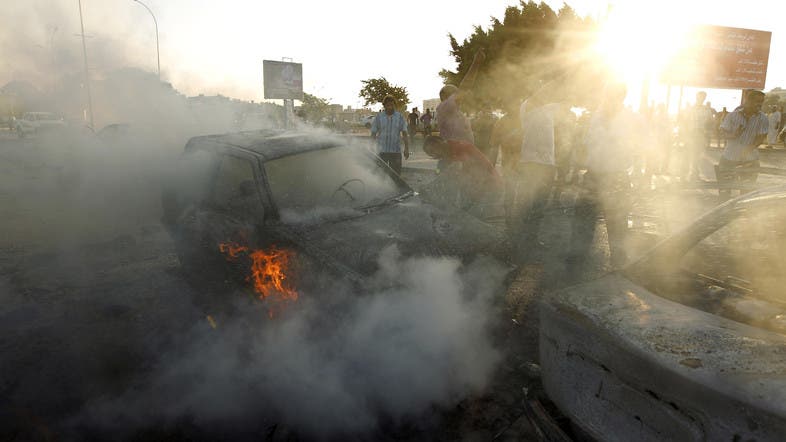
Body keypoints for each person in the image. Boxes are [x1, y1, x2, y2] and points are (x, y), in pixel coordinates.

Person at [570, 82, 640, 269]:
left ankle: (620, 267)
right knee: (582, 221)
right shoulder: (597, 115)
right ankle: (576, 262)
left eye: (612, 95)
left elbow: (637, 146)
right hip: (593, 175)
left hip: (616, 177)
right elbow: (587, 144)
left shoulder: (629, 118)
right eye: (606, 94)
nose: (607, 98)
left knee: (617, 224)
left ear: (621, 97)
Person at [511, 78, 569, 263]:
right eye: (537, 87)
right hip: (532, 163)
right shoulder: (528, 106)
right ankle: (522, 243)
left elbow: (564, 103)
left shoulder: (548, 109)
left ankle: (531, 241)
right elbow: (544, 93)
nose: (542, 91)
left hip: (547, 164)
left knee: (539, 206)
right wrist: (564, 73)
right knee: (529, 204)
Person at [422, 135, 501, 210]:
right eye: (431, 154)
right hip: (477, 186)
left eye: (433, 150)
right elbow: (440, 174)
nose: (434, 155)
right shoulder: (445, 157)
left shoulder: (461, 147)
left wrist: (434, 186)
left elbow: (457, 171)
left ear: (439, 143)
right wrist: (430, 186)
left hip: (488, 186)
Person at [717, 89, 768, 201]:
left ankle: (742, 216)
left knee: (746, 194)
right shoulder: (732, 116)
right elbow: (722, 132)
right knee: (725, 190)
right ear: (747, 101)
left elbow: (761, 137)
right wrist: (733, 135)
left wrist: (749, 149)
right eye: (757, 101)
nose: (759, 104)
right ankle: (724, 215)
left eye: (761, 102)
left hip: (750, 160)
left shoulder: (763, 118)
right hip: (729, 158)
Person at [436, 49, 486, 145]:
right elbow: (465, 87)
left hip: (461, 153)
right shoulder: (445, 107)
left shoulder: (452, 111)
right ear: (447, 96)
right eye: (455, 93)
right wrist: (476, 63)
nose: (461, 97)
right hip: (454, 154)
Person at [489, 98, 521, 230]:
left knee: (521, 193)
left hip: (525, 163)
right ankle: (511, 223)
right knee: (511, 192)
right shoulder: (501, 123)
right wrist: (490, 166)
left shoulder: (525, 120)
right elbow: (494, 146)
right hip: (510, 163)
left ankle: (516, 221)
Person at [371, 95, 410, 175]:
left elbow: (405, 133)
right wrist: (372, 147)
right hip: (381, 152)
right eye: (387, 105)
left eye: (392, 105)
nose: (390, 107)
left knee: (396, 175)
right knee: (380, 175)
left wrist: (406, 148)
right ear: (384, 106)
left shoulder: (400, 117)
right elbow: (373, 133)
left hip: (395, 151)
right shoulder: (379, 117)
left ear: (394, 105)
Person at [682, 91, 713, 181]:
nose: (701, 99)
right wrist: (685, 134)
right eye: (699, 97)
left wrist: (706, 132)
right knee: (688, 154)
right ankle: (684, 174)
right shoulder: (689, 109)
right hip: (690, 135)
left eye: (703, 97)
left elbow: (710, 122)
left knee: (697, 155)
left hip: (701, 135)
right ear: (696, 97)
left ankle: (694, 174)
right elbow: (684, 121)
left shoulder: (707, 110)